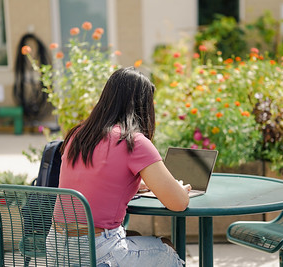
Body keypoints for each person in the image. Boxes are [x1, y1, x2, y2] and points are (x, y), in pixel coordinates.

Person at [46, 67, 191, 266]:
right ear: (143, 106)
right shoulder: (133, 141)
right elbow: (178, 203)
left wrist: (133, 185)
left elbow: (94, 179)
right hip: (96, 251)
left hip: (56, 247)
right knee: (165, 248)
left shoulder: (77, 135)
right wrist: (180, 190)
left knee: (136, 236)